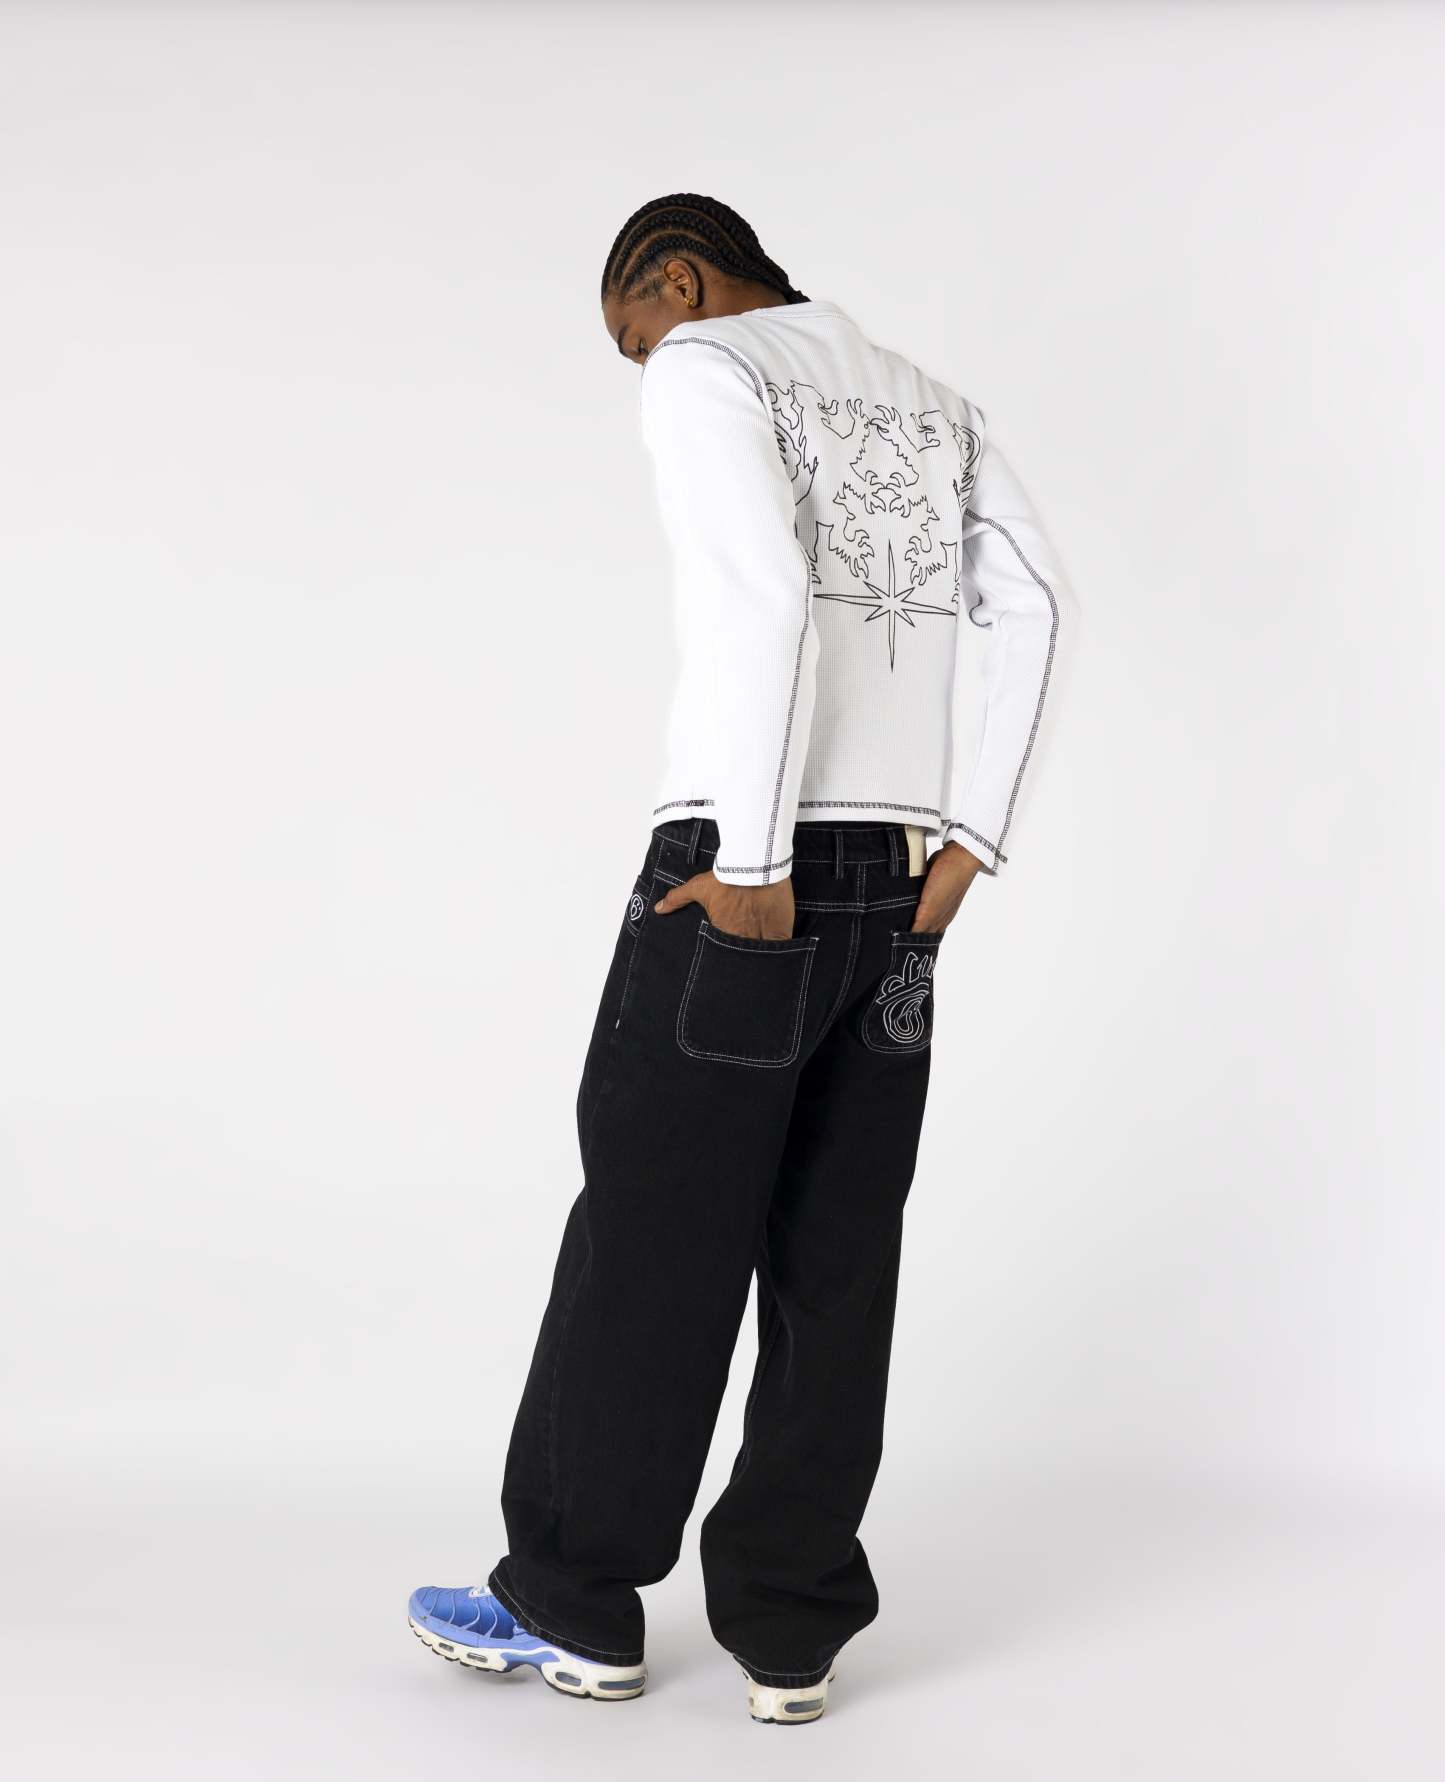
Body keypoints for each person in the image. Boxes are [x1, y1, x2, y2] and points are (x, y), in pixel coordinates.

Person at [407, 192, 1075, 1724]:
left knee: (654, 1226)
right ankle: (789, 1625)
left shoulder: (709, 371)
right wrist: (969, 840)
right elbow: (1042, 605)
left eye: (631, 332)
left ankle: (571, 1597)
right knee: (835, 1250)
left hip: (745, 861)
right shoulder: (932, 402)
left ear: (682, 279)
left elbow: (758, 600)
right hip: (897, 881)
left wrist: (755, 865)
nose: (637, 364)